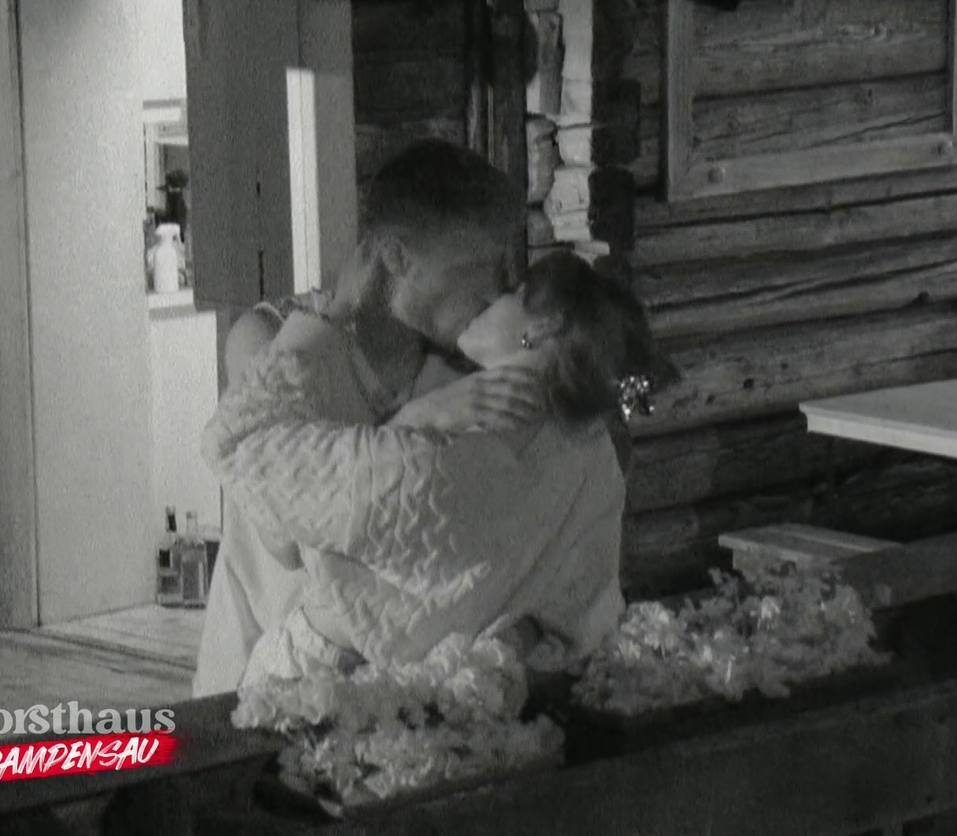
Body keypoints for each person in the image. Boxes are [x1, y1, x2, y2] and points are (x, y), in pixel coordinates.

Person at [201, 251, 672, 683]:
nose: (487, 298)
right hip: (464, 686)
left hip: (320, 680)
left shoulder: (438, 461)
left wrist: (415, 414)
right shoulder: (590, 452)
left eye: (510, 293)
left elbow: (243, 447)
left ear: (545, 325)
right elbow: (584, 604)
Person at [192, 139, 540, 697]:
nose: (494, 291)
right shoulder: (271, 339)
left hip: (392, 690)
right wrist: (424, 415)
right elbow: (287, 538)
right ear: (398, 258)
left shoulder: (458, 366)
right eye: (475, 267)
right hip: (268, 675)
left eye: (503, 267)